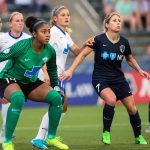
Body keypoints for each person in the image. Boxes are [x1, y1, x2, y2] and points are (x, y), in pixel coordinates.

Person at [60, 12, 150, 145]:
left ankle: (138, 137)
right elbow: (82, 55)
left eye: (119, 20)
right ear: (107, 24)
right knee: (111, 100)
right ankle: (106, 133)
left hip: (119, 79)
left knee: (132, 109)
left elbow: (129, 59)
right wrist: (70, 70)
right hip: (100, 78)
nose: (118, 22)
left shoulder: (124, 42)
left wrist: (140, 70)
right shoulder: (98, 40)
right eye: (114, 20)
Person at [0, 16, 69, 150]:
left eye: (48, 31)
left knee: (57, 98)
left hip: (29, 82)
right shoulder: (22, 46)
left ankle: (51, 138)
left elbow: (52, 70)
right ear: (34, 34)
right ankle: (7, 141)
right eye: (43, 32)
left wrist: (55, 86)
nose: (48, 34)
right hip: (9, 78)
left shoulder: (49, 50)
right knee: (18, 98)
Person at [31, 5, 94, 149]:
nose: (67, 17)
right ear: (55, 18)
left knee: (62, 107)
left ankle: (47, 137)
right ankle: (40, 138)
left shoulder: (65, 34)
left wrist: (86, 44)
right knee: (59, 104)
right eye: (63, 15)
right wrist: (45, 72)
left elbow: (77, 52)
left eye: (68, 15)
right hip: (50, 75)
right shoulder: (52, 32)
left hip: (59, 76)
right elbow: (41, 52)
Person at [0, 12, 31, 144]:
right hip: (2, 76)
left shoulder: (29, 39)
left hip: (17, 77)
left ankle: (5, 131)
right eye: (17, 20)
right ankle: (5, 132)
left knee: (12, 102)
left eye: (21, 20)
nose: (20, 23)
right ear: (10, 23)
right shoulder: (2, 38)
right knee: (6, 101)